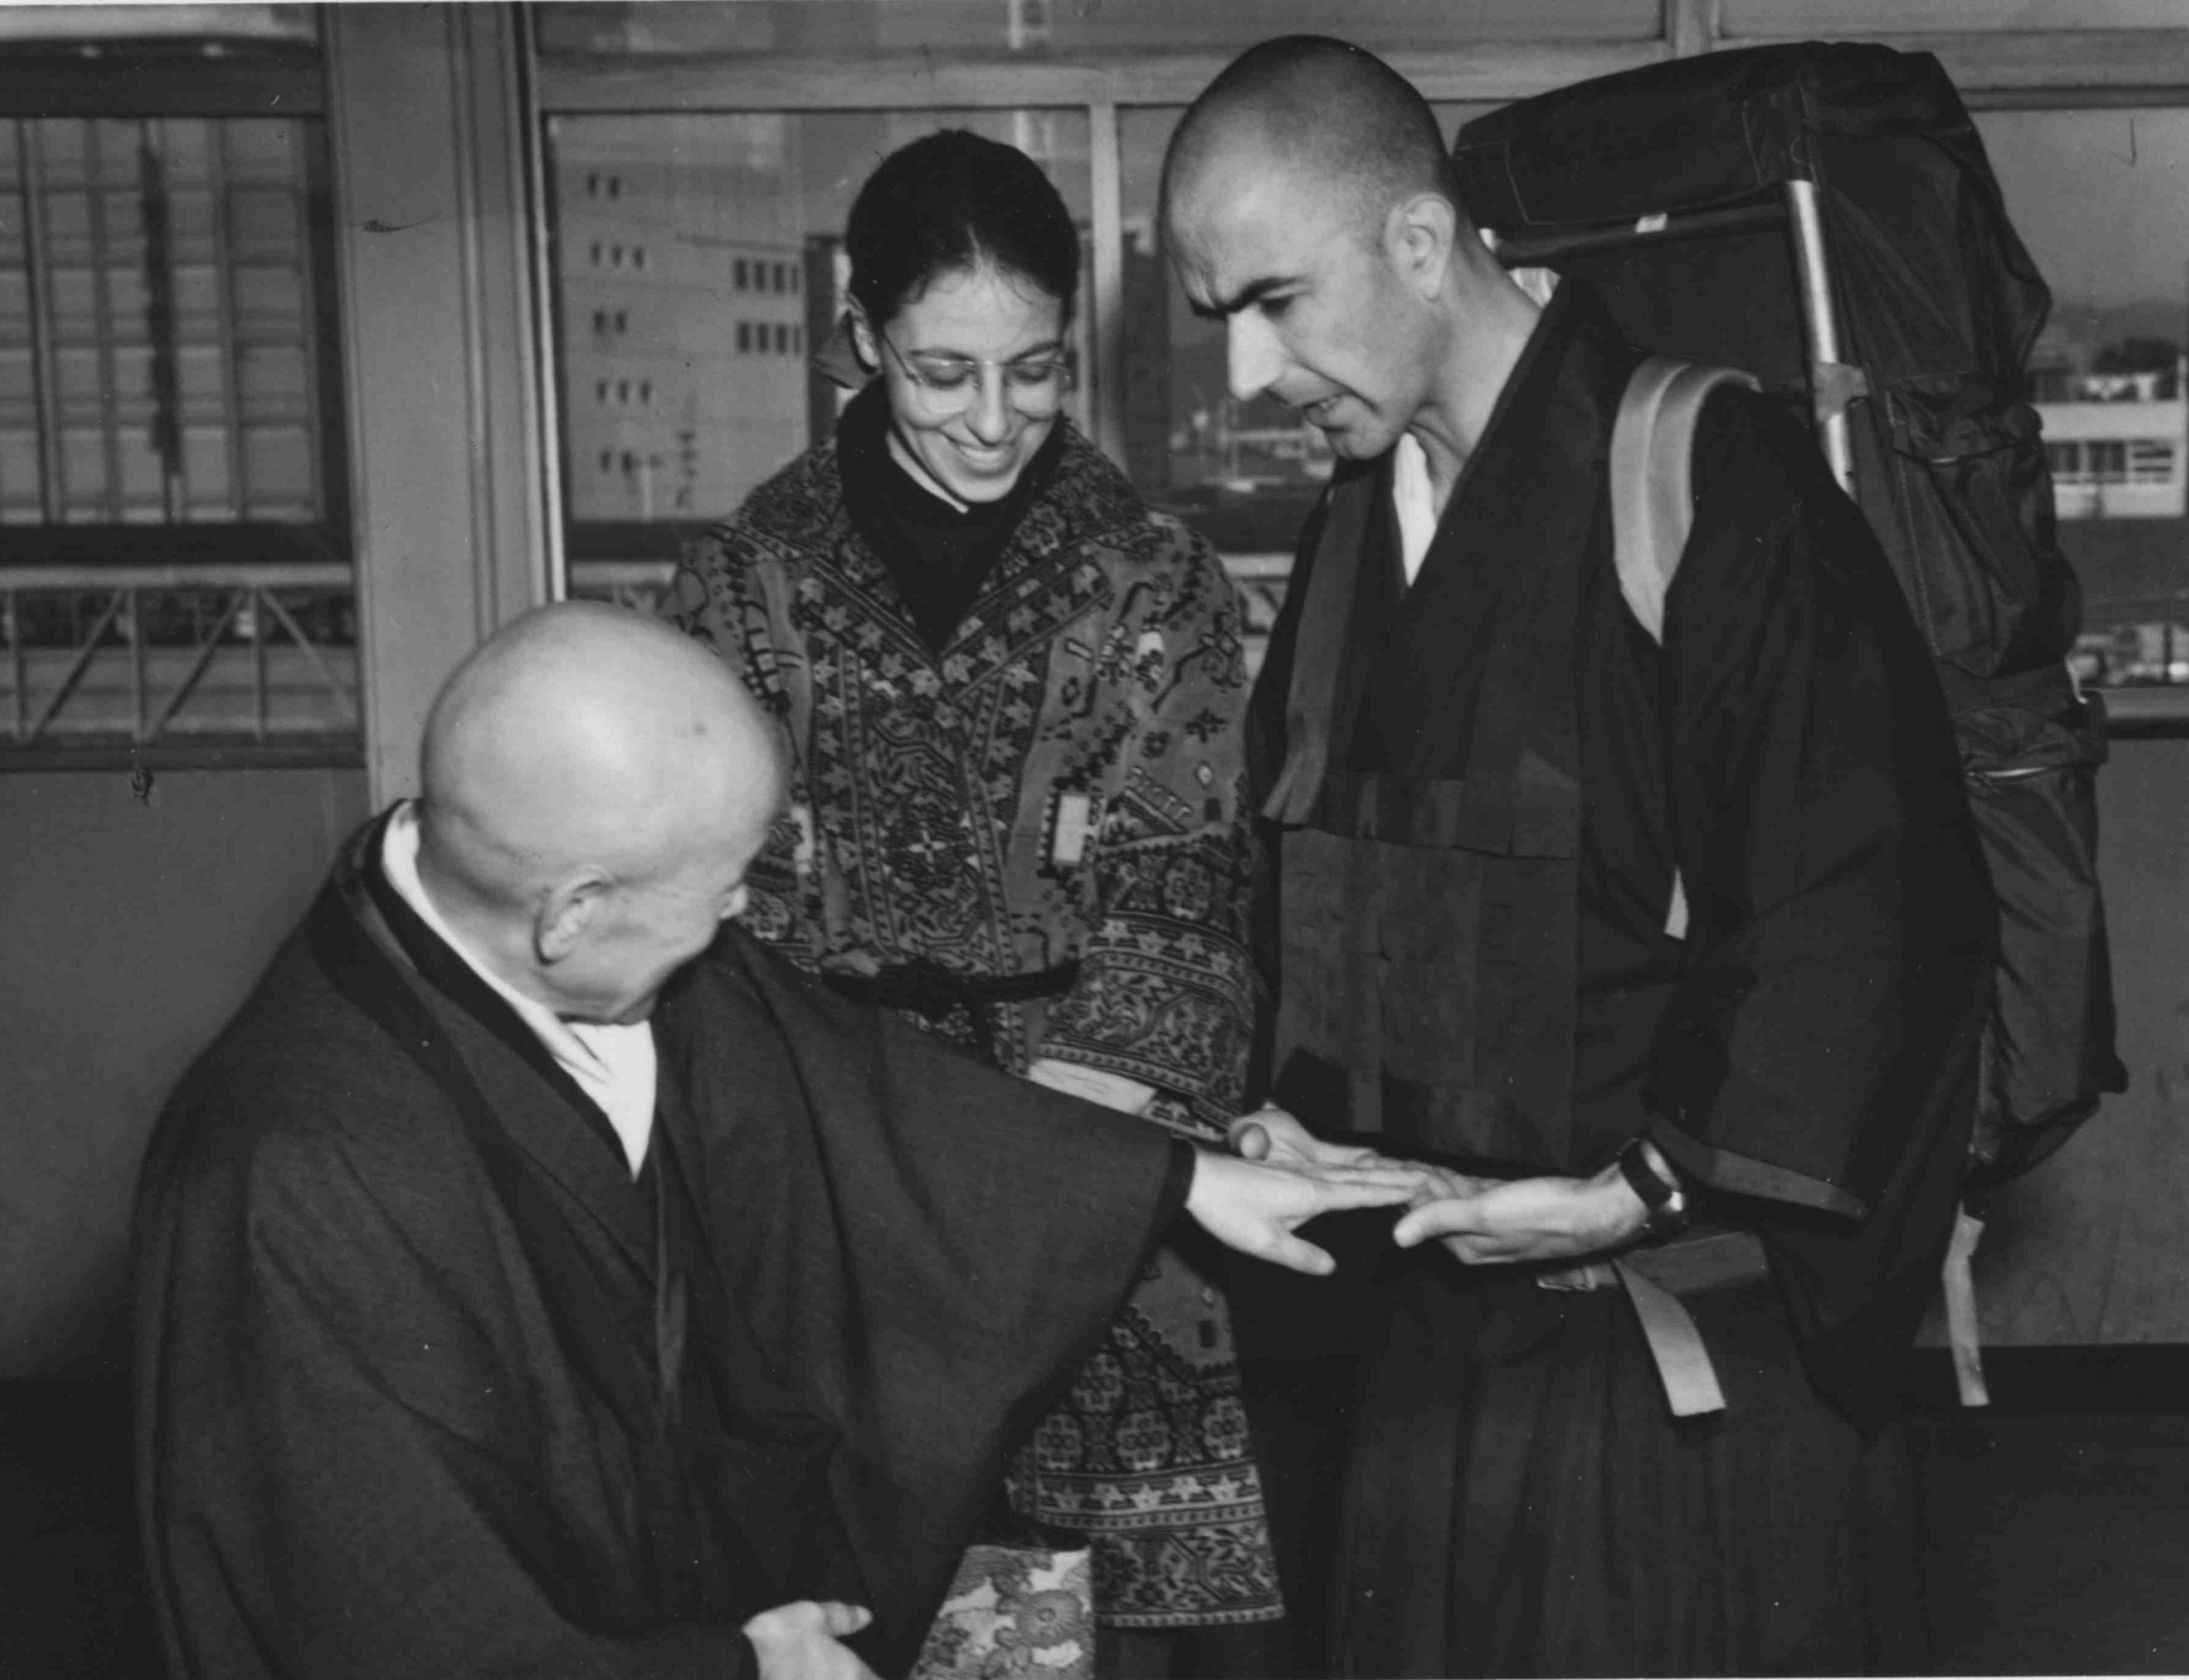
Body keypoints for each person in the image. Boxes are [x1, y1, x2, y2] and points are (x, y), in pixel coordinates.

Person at [132, 602, 1425, 1680]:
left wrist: (1176, 1177)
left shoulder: (583, 933)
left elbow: (867, 1098)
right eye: (721, 892)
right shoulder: (292, 1170)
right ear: (570, 913)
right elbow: (386, 1610)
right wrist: (734, 1667)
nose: (744, 914)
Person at [1160, 37, 2001, 1679]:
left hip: (1666, 1362)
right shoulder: (1358, 520)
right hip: (1422, 1351)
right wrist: (1286, 1107)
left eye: (1275, 301)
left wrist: (1641, 1188)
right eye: (1221, 320)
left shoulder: (1704, 473)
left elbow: (1863, 901)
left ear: (1420, 239)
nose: (1250, 371)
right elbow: (1314, 870)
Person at [671, 130, 1281, 1673]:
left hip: (1101, 1181)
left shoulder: (1155, 581)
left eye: (1037, 370)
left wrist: (1035, 1186)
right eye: (943, 373)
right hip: (833, 1173)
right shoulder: (746, 582)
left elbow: (1180, 909)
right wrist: (906, 1174)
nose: (995, 419)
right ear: (863, 336)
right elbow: (722, 916)